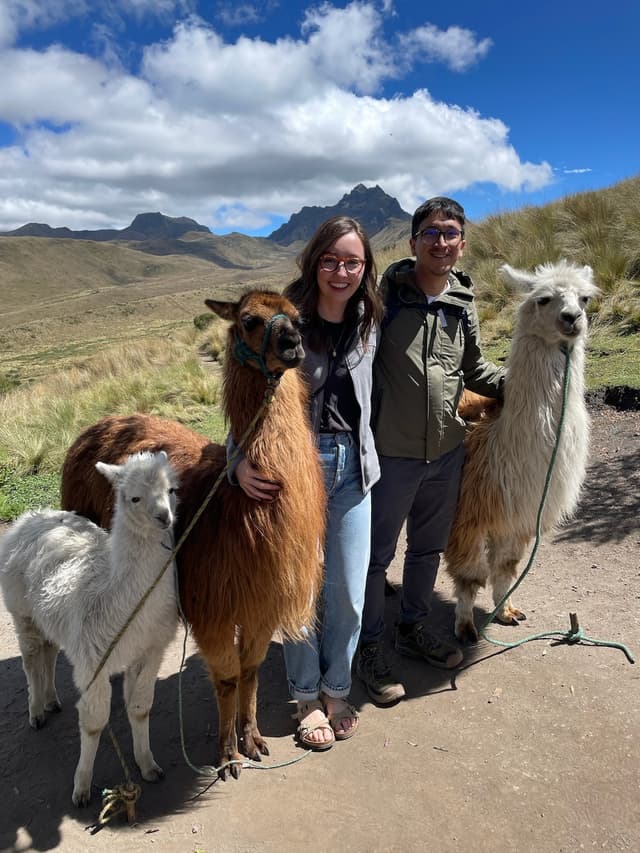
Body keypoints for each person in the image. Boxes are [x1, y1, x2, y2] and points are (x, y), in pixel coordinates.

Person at [234, 216, 383, 749]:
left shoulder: (370, 321)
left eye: (352, 262)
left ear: (365, 268)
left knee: (346, 588)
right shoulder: (284, 320)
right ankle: (304, 695)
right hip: (295, 465)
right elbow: (247, 393)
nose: (340, 272)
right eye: (330, 260)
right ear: (313, 262)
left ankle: (336, 688)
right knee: (298, 587)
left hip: (354, 468)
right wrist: (236, 460)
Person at [356, 196, 505, 704]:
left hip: (446, 453)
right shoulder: (383, 299)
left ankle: (413, 627)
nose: (441, 242)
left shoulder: (462, 305)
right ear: (413, 241)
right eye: (432, 233)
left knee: (426, 550)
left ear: (462, 243)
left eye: (450, 233)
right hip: (391, 454)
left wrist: (525, 382)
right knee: (375, 556)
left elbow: (477, 371)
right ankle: (368, 644)